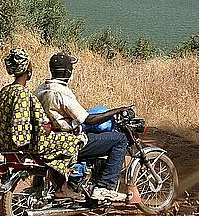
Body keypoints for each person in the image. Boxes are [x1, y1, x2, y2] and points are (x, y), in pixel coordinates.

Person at [0, 47, 84, 200]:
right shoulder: (24, 94)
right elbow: (35, 125)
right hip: (28, 145)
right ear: (28, 69)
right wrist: (47, 128)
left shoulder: (6, 91)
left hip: (5, 145)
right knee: (75, 141)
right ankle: (63, 187)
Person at [35, 52, 130, 202]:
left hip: (48, 138)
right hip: (66, 141)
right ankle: (105, 187)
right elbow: (89, 119)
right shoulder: (62, 92)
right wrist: (117, 110)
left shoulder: (40, 89)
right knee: (119, 139)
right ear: (67, 72)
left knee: (89, 133)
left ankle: (78, 179)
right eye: (71, 68)